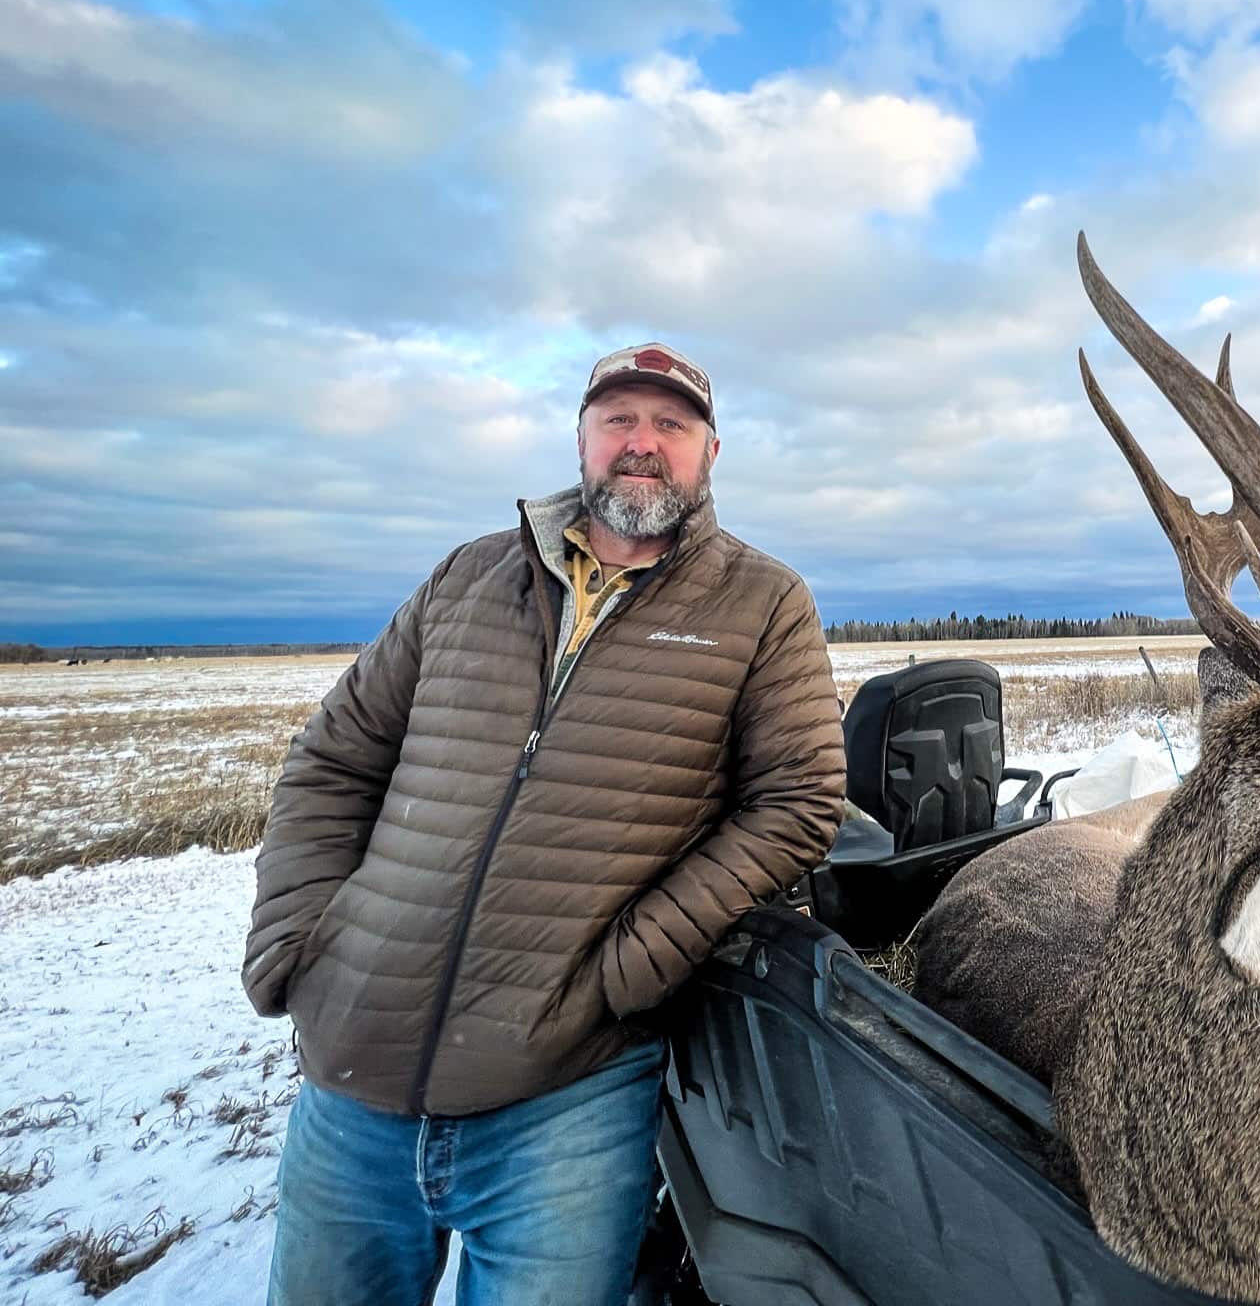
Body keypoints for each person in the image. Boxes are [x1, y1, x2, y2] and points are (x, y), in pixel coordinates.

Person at [243, 342, 846, 1306]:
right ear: (580, 439)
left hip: (568, 1088)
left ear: (711, 452)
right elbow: (335, 756)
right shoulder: (471, 577)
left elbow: (799, 801)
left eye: (670, 425)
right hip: (353, 1075)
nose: (642, 444)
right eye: (619, 420)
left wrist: (628, 969)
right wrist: (297, 932)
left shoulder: (762, 602)